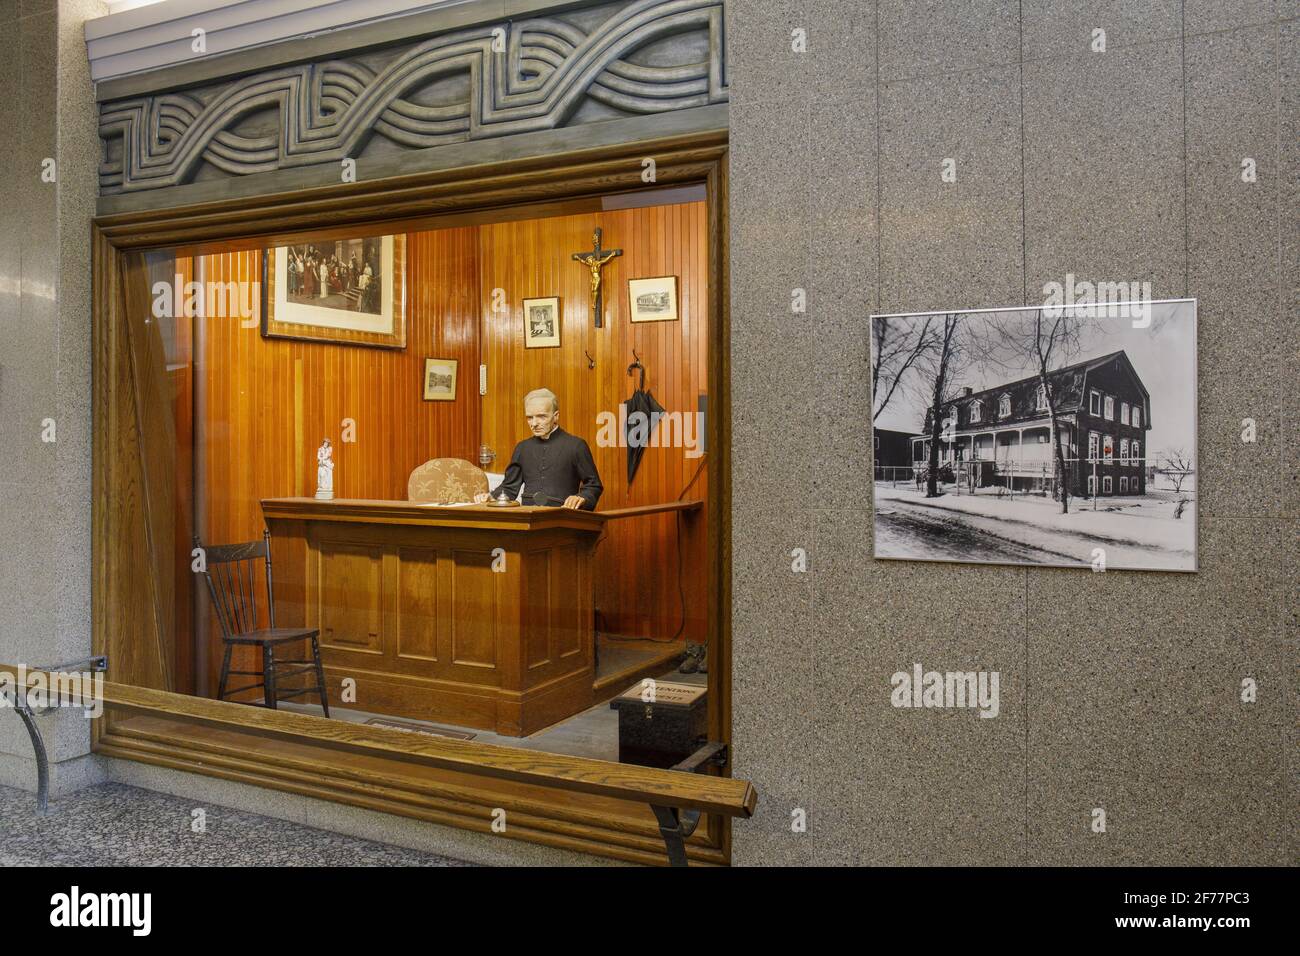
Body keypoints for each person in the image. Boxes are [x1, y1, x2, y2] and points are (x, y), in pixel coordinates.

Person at [476, 388, 602, 510]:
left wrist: (582, 497)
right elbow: (509, 488)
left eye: (541, 416)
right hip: (527, 519)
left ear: (556, 416)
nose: (534, 423)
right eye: (529, 417)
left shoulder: (576, 446)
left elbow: (594, 486)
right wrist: (490, 497)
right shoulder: (522, 448)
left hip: (563, 519)